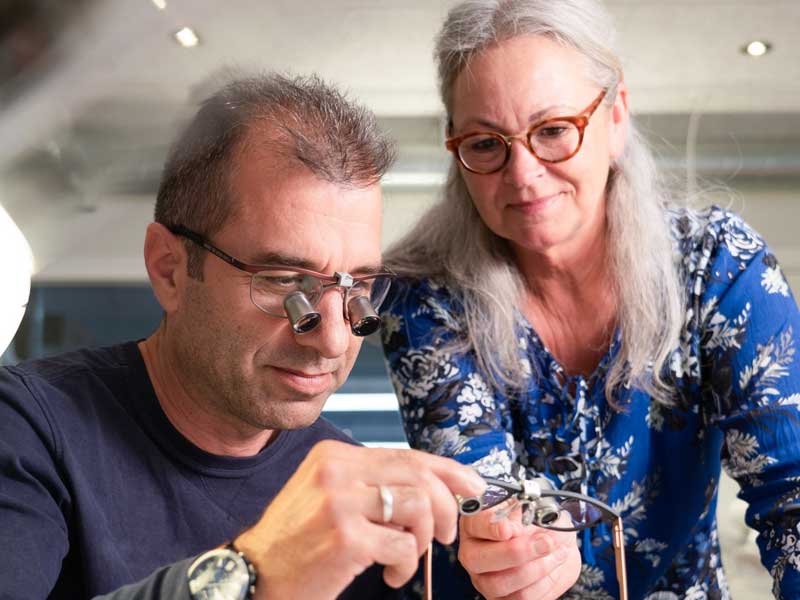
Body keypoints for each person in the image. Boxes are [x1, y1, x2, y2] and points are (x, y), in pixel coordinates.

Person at [0, 72, 490, 599]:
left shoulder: (353, 498)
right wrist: (250, 571)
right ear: (170, 270)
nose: (331, 341)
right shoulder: (27, 430)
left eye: (359, 286)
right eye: (284, 281)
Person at [380, 1, 800, 599]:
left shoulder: (720, 267)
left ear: (616, 117)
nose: (523, 174)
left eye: (553, 130)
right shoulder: (424, 297)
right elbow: (484, 497)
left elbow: (792, 493)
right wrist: (515, 548)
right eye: (487, 143)